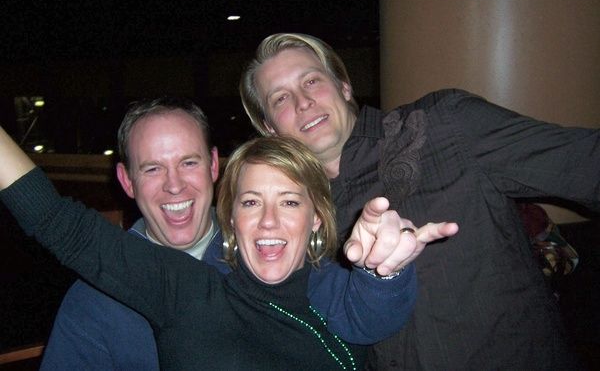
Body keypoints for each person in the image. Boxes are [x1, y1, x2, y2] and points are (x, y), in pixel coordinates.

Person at [240, 32, 600, 370]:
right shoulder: (295, 214)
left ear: (344, 86)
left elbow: (586, 163)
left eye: (311, 81)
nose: (303, 102)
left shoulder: (445, 125)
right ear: (270, 128)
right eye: (280, 98)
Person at [0, 127, 458, 370]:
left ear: (316, 217)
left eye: (290, 201)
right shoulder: (185, 290)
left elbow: (375, 315)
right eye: (251, 202)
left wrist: (385, 272)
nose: (269, 220)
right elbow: (59, 223)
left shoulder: (331, 283)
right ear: (231, 219)